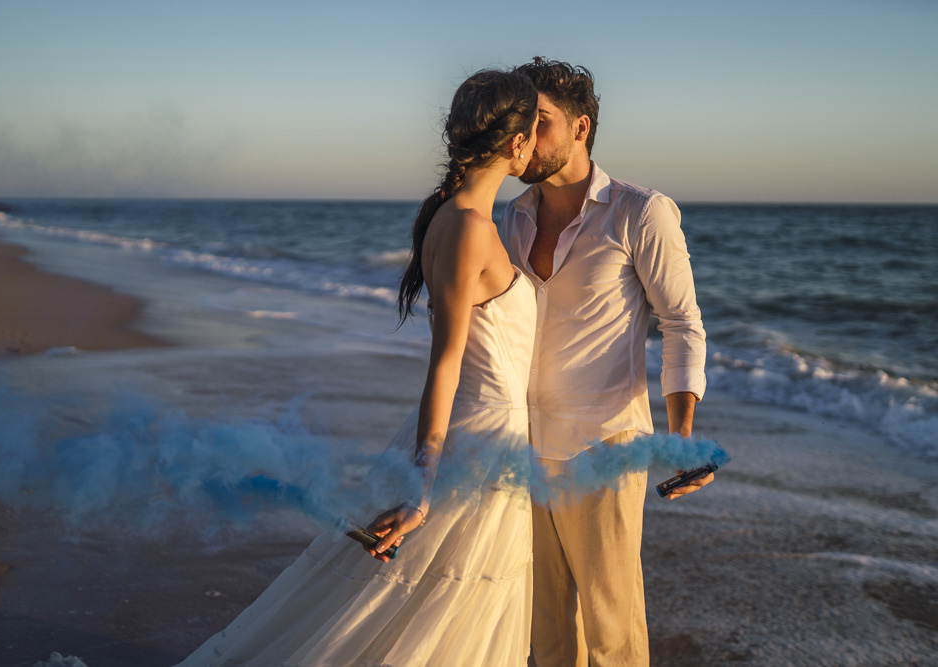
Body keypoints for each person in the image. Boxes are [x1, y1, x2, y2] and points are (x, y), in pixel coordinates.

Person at [175, 69, 540, 666]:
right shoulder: (470, 228)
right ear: (516, 143)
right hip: (477, 441)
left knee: (418, 609)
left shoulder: (451, 215)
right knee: (433, 610)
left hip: (479, 431)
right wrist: (424, 487)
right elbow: (445, 362)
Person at [499, 58, 714, 666]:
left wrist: (684, 434)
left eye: (540, 121)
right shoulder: (510, 216)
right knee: (544, 631)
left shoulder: (639, 212)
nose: (525, 137)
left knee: (612, 633)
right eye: (520, 122)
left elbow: (682, 324)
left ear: (580, 127)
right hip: (522, 446)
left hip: (604, 444)